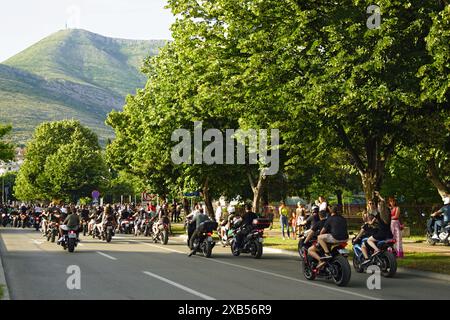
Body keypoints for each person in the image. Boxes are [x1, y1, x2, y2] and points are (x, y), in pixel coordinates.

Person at [361, 201, 393, 265]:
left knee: (369, 240)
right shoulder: (389, 213)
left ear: (379, 207)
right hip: (389, 234)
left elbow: (371, 216)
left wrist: (369, 206)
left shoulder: (378, 214)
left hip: (381, 234)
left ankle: (377, 250)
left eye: (378, 206)